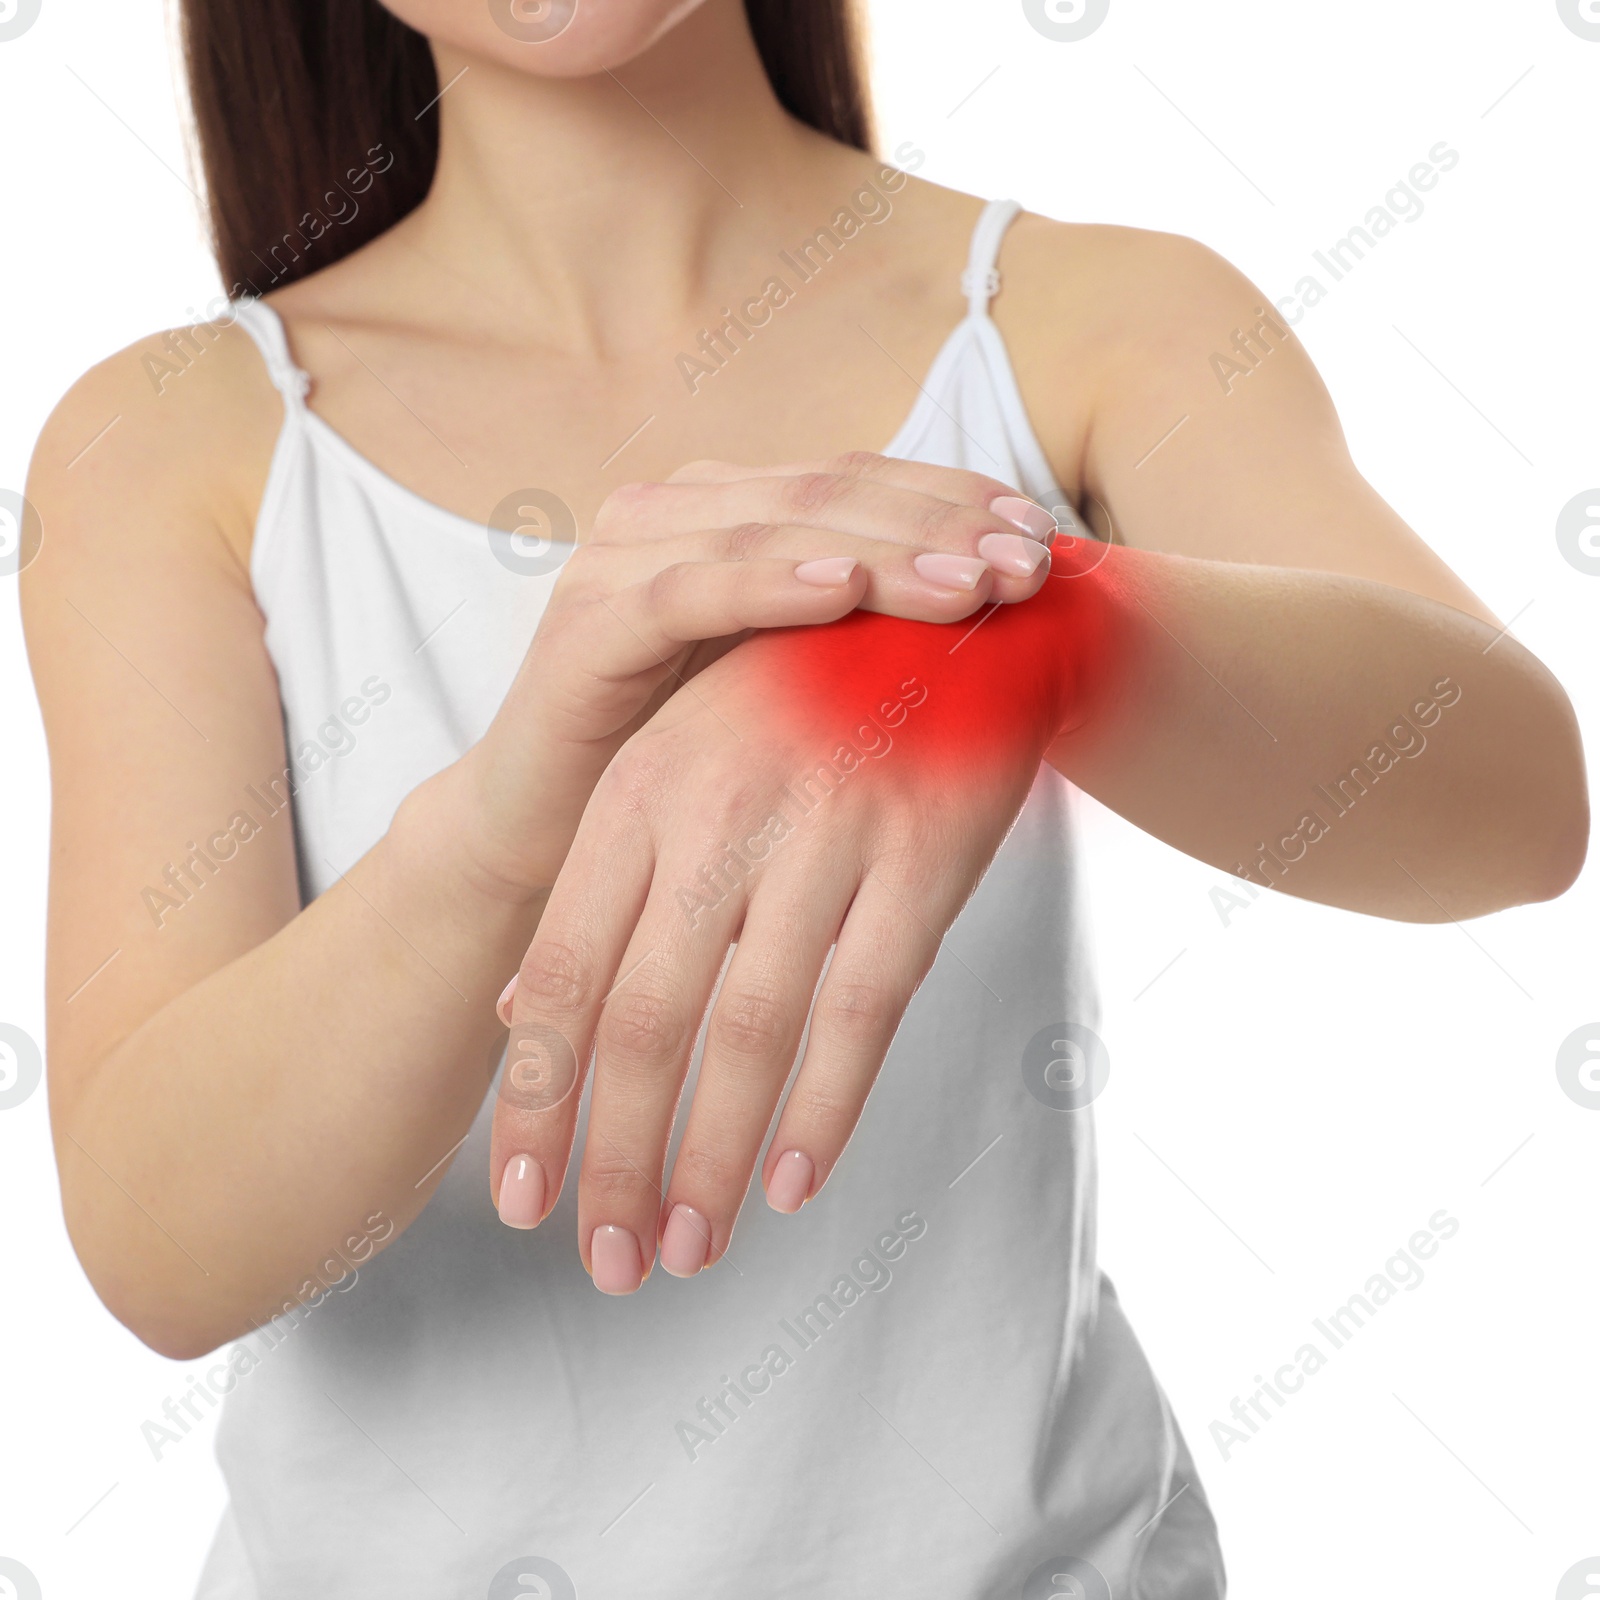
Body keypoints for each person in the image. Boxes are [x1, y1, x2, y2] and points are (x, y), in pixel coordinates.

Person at [20, 2, 1586, 1595]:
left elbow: (1520, 797)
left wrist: (1037, 628)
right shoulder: (173, 445)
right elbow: (161, 1249)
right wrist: (502, 823)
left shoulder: (1091, 324)